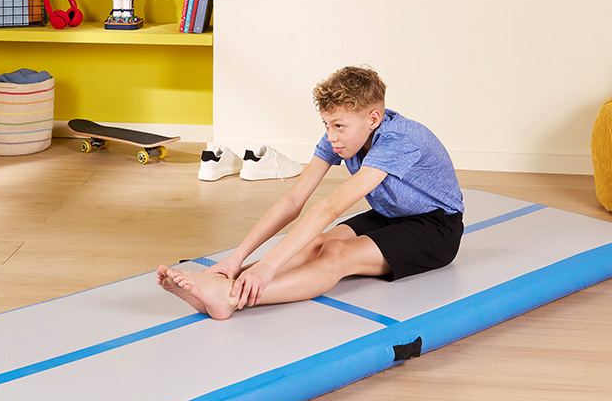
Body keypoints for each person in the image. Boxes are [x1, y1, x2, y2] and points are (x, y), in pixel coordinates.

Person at [157, 66, 464, 320]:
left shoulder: (399, 140)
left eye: (339, 126)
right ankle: (223, 282)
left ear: (373, 119)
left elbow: (332, 206)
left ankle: (231, 297)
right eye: (326, 124)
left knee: (337, 253)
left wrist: (268, 268)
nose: (331, 136)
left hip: (437, 227)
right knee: (315, 242)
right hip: (391, 214)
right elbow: (293, 200)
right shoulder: (344, 135)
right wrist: (237, 259)